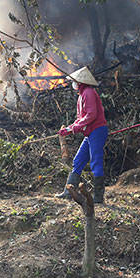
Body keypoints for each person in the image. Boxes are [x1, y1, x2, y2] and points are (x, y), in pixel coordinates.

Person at [56, 67, 109, 205]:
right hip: (90, 132)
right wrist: (69, 128)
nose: (72, 84)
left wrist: (75, 128)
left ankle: (98, 197)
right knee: (78, 160)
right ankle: (69, 191)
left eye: (74, 81)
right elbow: (81, 118)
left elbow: (91, 115)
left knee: (95, 162)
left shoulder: (89, 93)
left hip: (97, 130)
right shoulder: (81, 95)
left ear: (80, 82)